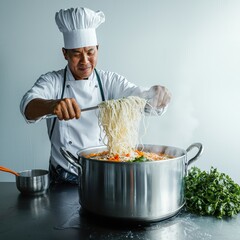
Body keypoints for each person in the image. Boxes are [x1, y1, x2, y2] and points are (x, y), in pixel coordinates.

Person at [20, 7, 171, 184]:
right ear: (65, 53)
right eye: (76, 53)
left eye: (90, 52)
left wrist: (157, 95)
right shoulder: (52, 81)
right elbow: (27, 106)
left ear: (97, 49)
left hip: (104, 175)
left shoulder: (110, 81)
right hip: (62, 178)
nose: (85, 61)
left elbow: (140, 98)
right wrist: (53, 105)